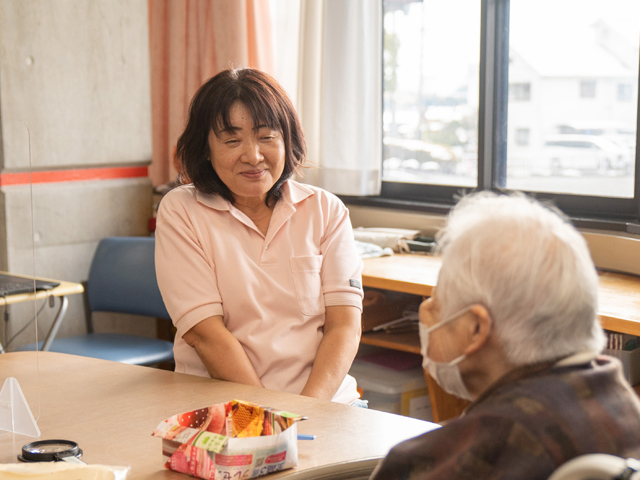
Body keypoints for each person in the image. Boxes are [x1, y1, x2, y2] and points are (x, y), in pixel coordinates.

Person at [370, 192, 640, 480]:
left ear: (475, 329)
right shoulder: (621, 406)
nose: (426, 310)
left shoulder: (474, 453)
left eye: (437, 301)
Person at [155, 68, 364, 405]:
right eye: (232, 140)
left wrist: (306, 411)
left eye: (267, 136)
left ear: (287, 140)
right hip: (227, 408)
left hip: (325, 406)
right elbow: (206, 335)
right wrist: (269, 419)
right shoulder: (182, 210)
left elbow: (344, 327)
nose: (253, 155)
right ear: (206, 149)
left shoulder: (326, 210)